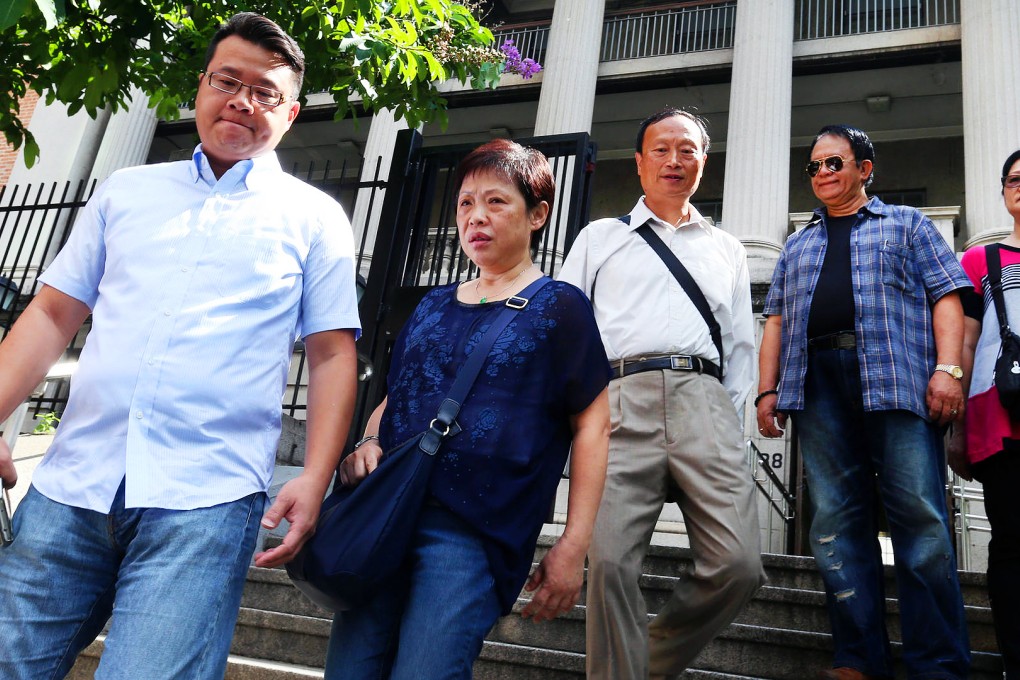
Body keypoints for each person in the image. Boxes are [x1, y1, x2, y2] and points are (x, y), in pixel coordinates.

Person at [0, 13, 361, 679]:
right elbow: (53, 312)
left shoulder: (315, 219)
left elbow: (333, 352)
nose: (242, 101)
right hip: (72, 486)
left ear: (291, 113)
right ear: (201, 86)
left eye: (266, 92)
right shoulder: (128, 192)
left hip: (206, 503)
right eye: (228, 80)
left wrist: (314, 476)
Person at [324, 138, 610, 679]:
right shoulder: (432, 304)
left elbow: (593, 424)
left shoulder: (561, 306)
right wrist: (367, 443)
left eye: (497, 202)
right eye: (465, 203)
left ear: (538, 214)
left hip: (474, 530)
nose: (476, 216)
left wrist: (574, 544)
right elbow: (396, 396)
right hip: (386, 513)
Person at [757, 124, 970, 680]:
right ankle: (858, 657)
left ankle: (939, 664)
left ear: (865, 169)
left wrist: (949, 369)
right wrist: (767, 388)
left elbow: (948, 297)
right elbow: (775, 320)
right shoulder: (797, 244)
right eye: (815, 166)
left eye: (835, 163)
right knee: (835, 525)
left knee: (921, 523)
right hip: (817, 386)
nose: (823, 174)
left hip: (897, 381)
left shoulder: (908, 224)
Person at [558, 107, 764, 680]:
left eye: (688, 150)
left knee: (739, 562)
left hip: (705, 398)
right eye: (661, 149)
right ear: (640, 162)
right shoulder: (601, 237)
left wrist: (730, 415)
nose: (675, 160)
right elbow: (566, 333)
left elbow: (742, 344)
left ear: (704, 160)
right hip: (618, 399)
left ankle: (642, 664)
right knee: (609, 564)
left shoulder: (726, 247)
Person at [949, 149, 1020, 680]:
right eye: (1015, 180)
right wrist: (957, 428)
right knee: (1013, 538)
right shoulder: (981, 262)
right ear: (1002, 192)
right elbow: (967, 342)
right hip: (1002, 415)